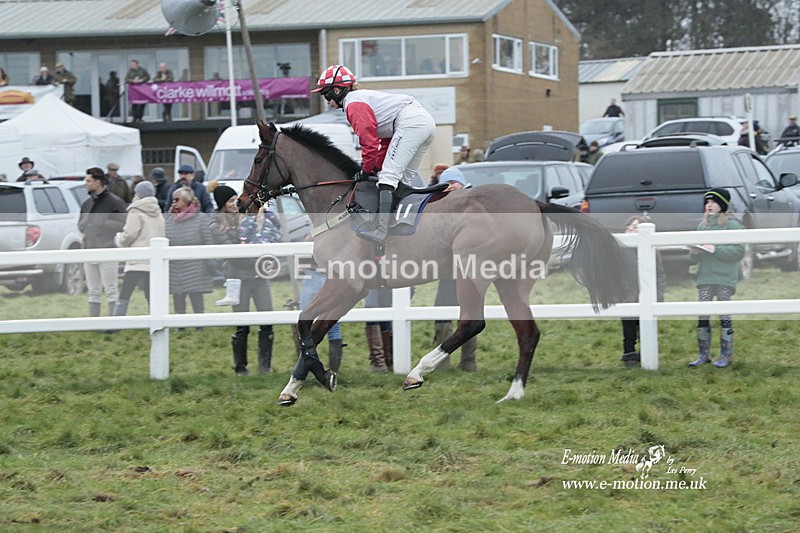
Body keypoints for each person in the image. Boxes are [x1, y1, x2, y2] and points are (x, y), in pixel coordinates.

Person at [311, 64, 436, 244]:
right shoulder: (364, 99)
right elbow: (385, 141)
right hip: (424, 123)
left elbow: (368, 142)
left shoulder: (352, 103)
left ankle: (381, 231)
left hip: (411, 123)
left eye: (325, 93)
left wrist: (366, 169)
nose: (326, 99)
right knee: (402, 180)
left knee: (388, 177)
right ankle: (401, 224)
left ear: (337, 90)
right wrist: (374, 166)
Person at [208, 181, 281, 375]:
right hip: (238, 278)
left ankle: (265, 366)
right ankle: (241, 367)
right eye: (231, 200)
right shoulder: (217, 225)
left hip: (259, 278)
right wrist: (261, 260)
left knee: (267, 321)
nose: (235, 203)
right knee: (242, 325)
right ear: (223, 204)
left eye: (236, 199)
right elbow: (234, 254)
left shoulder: (249, 217)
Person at [687, 188, 745, 369]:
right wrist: (695, 252)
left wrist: (715, 249)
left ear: (722, 205)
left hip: (724, 278)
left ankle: (726, 354)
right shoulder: (702, 226)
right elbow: (693, 258)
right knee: (703, 315)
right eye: (707, 202)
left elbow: (738, 251)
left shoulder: (733, 225)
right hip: (705, 277)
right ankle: (703, 354)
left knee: (724, 314)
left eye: (713, 202)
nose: (709, 206)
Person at [429, 166, 477, 371]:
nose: (450, 187)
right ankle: (440, 362)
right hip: (448, 273)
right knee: (442, 313)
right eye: (445, 184)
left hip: (470, 272)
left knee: (471, 314)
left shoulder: (474, 208)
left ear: (462, 184)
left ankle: (468, 362)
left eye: (453, 183)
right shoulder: (440, 209)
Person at [78, 167, 127, 318]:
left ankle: (114, 322)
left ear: (98, 182)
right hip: (89, 249)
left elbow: (123, 224)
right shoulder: (87, 203)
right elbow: (81, 223)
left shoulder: (115, 202)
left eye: (88, 180)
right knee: (93, 290)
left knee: (111, 288)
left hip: (107, 248)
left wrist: (103, 223)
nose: (85, 183)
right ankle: (94, 322)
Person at [113, 181, 166, 317]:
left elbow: (130, 233)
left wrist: (119, 239)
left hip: (137, 259)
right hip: (153, 260)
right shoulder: (157, 211)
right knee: (150, 293)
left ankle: (116, 322)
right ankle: (156, 319)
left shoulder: (136, 210)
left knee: (125, 292)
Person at [619, 215, 665, 367]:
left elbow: (659, 273)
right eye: (628, 227)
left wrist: (658, 295)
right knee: (628, 328)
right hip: (626, 296)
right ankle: (629, 355)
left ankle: (647, 354)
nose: (630, 229)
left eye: (634, 227)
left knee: (646, 327)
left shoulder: (652, 249)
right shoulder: (619, 250)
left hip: (646, 294)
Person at [165, 186, 213, 321]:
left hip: (196, 267)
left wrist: (210, 263)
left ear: (186, 201)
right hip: (175, 267)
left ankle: (200, 324)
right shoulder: (168, 219)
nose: (173, 202)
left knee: (195, 295)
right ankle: (180, 324)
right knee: (178, 296)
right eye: (172, 199)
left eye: (177, 199)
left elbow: (208, 241)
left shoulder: (201, 219)